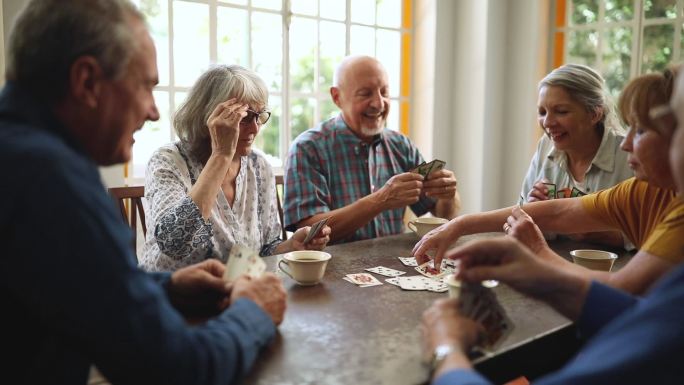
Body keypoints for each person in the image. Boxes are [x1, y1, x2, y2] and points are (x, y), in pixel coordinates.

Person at [0, 1, 287, 384]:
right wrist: (253, 313)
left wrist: (168, 287)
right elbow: (177, 370)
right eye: (146, 86)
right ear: (87, 82)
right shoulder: (52, 182)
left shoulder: (23, 153)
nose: (154, 112)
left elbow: (89, 285)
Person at [414, 68, 684, 295]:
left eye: (641, 130)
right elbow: (558, 211)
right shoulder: (642, 189)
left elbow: (622, 292)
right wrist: (461, 224)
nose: (626, 143)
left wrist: (539, 252)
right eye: (542, 111)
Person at [140, 65, 330, 272]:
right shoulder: (168, 160)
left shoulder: (258, 166)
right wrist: (221, 154)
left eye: (260, 116)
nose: (256, 128)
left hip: (237, 291)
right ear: (208, 117)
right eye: (244, 117)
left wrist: (290, 246)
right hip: (174, 295)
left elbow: (264, 250)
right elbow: (174, 244)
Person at [283, 55, 461, 244]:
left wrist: (448, 195)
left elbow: (443, 214)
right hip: (332, 268)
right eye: (365, 93)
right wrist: (380, 200)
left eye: (384, 92)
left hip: (396, 265)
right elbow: (309, 233)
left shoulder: (402, 145)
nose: (379, 103)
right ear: (337, 97)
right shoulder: (308, 148)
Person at [521, 64, 633, 248]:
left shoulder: (630, 155)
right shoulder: (545, 146)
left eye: (561, 111)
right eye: (542, 112)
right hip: (550, 267)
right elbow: (516, 220)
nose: (547, 122)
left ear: (595, 114)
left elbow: (659, 236)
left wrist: (603, 234)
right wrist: (531, 213)